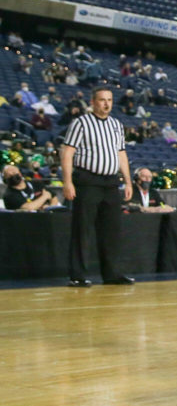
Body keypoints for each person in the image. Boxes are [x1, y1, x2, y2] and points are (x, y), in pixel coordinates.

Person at [61, 86, 135, 287]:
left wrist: (128, 181)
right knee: (83, 229)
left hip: (111, 182)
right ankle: (78, 275)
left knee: (112, 230)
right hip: (87, 180)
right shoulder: (81, 123)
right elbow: (67, 152)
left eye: (109, 100)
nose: (106, 104)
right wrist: (67, 181)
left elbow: (121, 154)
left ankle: (112, 274)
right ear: (93, 102)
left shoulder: (117, 125)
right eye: (102, 100)